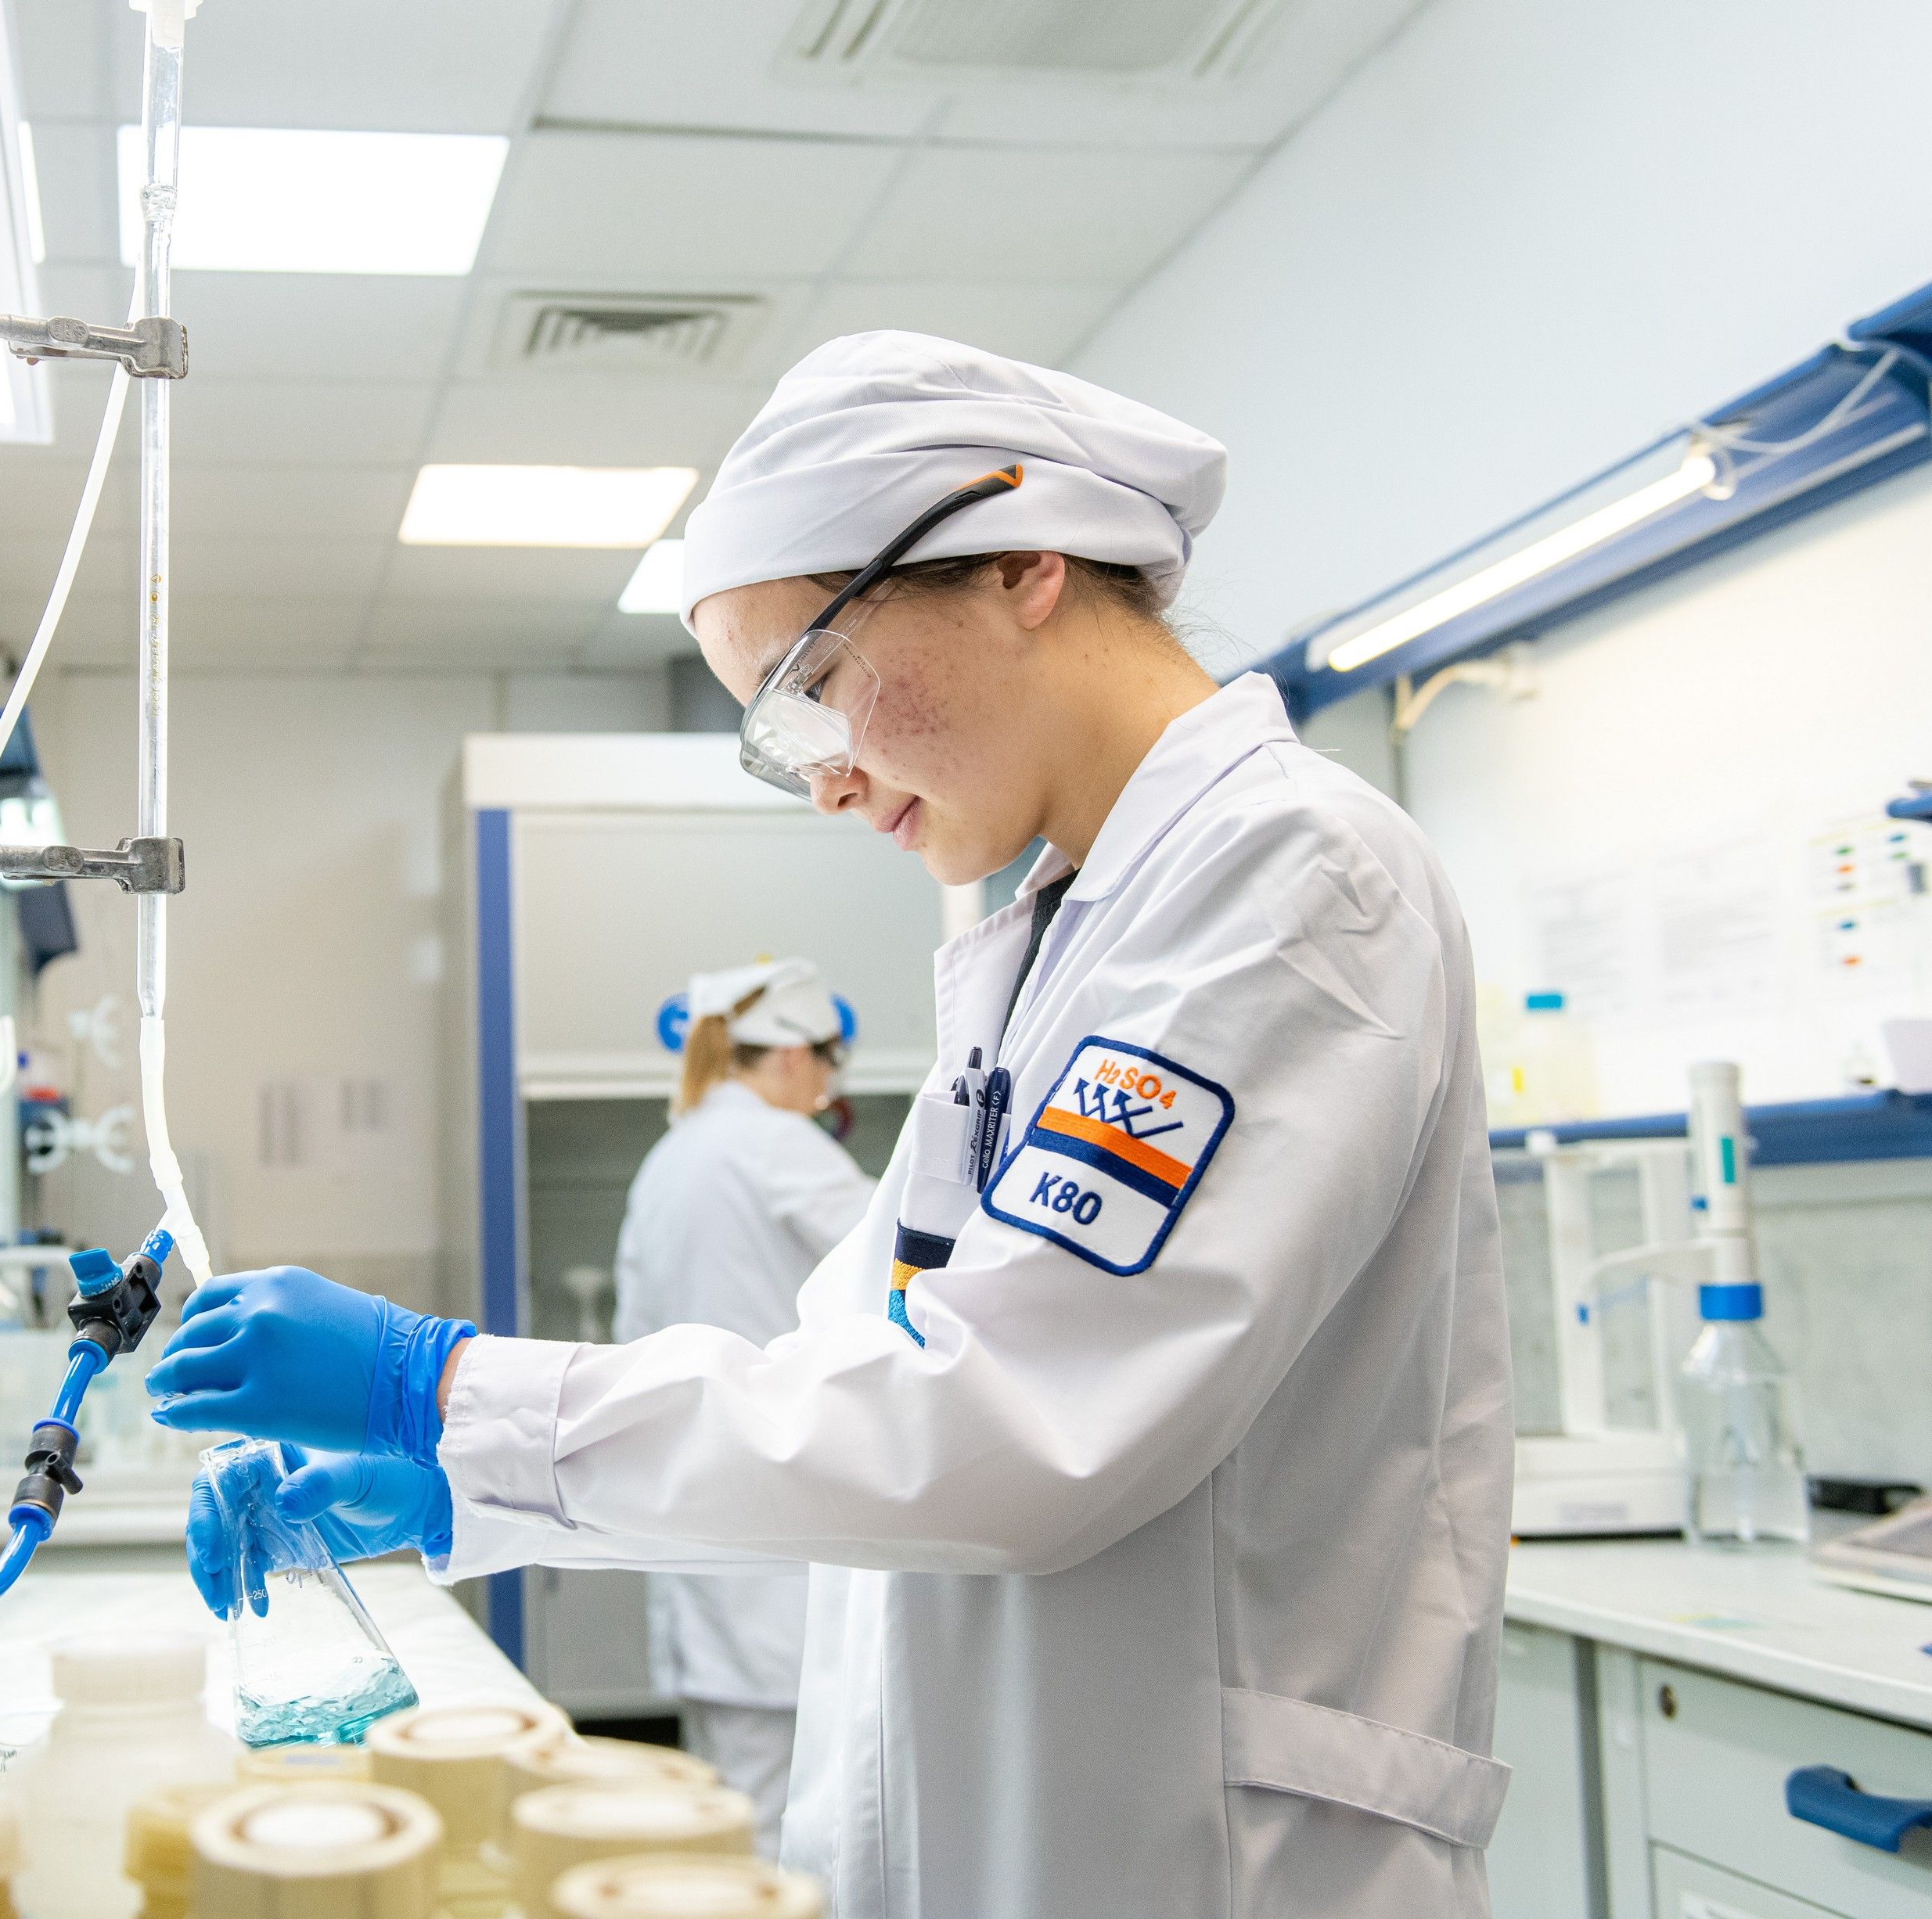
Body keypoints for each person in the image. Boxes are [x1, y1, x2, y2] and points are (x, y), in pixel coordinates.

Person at [151, 332, 1512, 1919]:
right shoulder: (1051, 941)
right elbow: (846, 1385)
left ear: (1020, 561)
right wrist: (466, 1481)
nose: (826, 784)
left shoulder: (1291, 879)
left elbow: (1004, 1422)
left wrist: (437, 1382)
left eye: (811, 687)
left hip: (1212, 1856)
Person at [617, 958, 873, 1852]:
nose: (826, 1087)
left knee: (726, 1820)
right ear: (796, 1054)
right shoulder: (777, 1145)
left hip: (698, 1537)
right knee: (786, 1835)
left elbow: (633, 1337)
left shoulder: (669, 1157)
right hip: (777, 1543)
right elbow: (909, 1268)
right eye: (827, 1063)